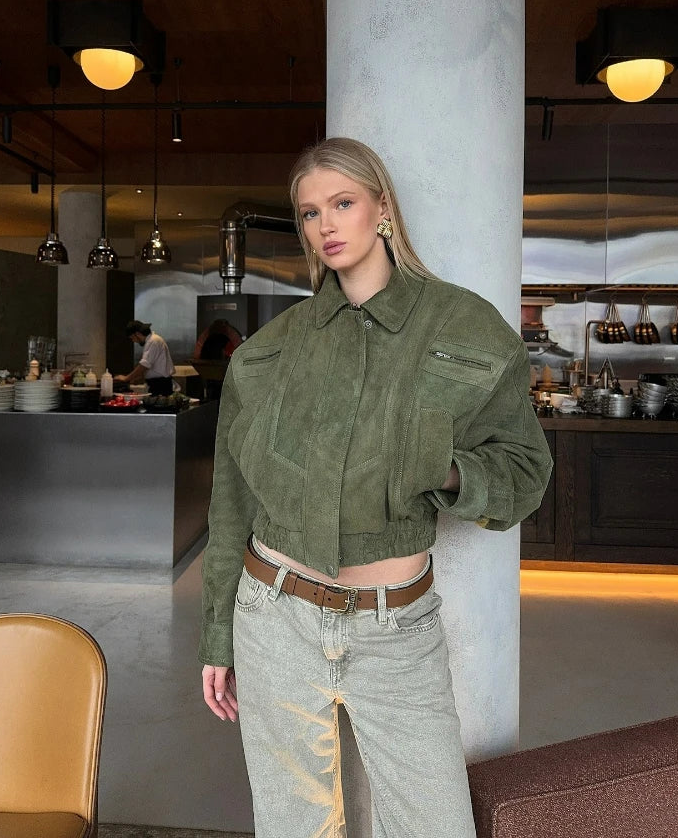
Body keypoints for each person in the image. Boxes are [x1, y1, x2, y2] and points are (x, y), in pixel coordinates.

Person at [198, 138, 553, 838]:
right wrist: (217, 632)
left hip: (398, 629)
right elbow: (231, 502)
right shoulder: (271, 352)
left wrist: (448, 469)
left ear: (381, 207)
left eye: (342, 203)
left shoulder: (464, 327)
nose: (325, 225)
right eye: (308, 213)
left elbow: (525, 471)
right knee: (294, 827)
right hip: (274, 617)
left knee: (436, 826)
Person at [116, 320, 174, 395]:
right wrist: (138, 378)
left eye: (132, 338)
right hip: (157, 384)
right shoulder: (152, 341)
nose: (134, 341)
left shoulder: (153, 341)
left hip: (161, 385)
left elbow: (144, 365)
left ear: (138, 334)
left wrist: (126, 378)